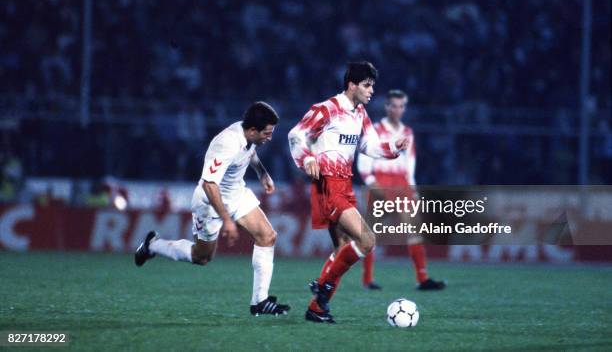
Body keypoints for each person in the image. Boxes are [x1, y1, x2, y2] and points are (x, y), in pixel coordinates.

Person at [135, 101, 290, 316]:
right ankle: (153, 245)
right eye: (267, 133)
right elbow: (209, 183)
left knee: (267, 236)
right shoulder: (226, 143)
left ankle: (260, 301)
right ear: (253, 130)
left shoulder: (250, 134)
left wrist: (262, 172)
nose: (269, 137)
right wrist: (226, 219)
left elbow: (250, 152)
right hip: (210, 202)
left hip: (237, 194)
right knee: (202, 257)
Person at [288, 61, 411, 324]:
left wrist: (394, 148)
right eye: (366, 85)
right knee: (367, 240)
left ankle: (316, 308)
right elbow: (296, 135)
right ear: (352, 84)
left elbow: (371, 146)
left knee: (343, 248)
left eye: (373, 86)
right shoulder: (327, 109)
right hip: (328, 184)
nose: (371, 91)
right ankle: (322, 286)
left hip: (345, 183)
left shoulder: (360, 113)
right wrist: (308, 158)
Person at [358, 89, 446, 290]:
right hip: (381, 181)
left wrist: (412, 188)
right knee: (371, 234)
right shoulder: (374, 131)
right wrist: (373, 183)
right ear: (387, 107)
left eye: (401, 106)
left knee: (414, 230)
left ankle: (423, 279)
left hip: (401, 183)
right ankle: (367, 280)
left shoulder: (407, 133)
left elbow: (410, 163)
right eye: (394, 106)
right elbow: (363, 161)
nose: (397, 110)